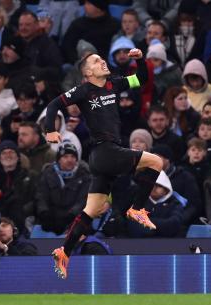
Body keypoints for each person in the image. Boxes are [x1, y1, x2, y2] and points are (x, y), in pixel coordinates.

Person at [45, 48, 163, 279]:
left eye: (102, 59)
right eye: (97, 61)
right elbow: (52, 106)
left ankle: (64, 251)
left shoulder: (114, 84)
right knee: (156, 162)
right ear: (88, 72)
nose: (103, 62)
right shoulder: (82, 91)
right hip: (105, 151)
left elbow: (141, 79)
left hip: (102, 157)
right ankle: (137, 208)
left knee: (93, 209)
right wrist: (50, 130)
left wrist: (140, 61)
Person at [35, 143, 90, 235]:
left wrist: (70, 216)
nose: (69, 160)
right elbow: (41, 196)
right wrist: (44, 213)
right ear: (58, 160)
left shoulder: (85, 176)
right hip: (50, 219)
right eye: (65, 157)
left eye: (72, 156)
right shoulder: (48, 174)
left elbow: (83, 200)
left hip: (74, 221)